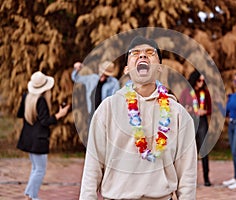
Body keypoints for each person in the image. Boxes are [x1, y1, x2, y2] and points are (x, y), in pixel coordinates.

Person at [80, 36, 197, 200]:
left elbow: (187, 173)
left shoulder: (178, 114)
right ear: (126, 69)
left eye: (150, 53)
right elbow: (92, 166)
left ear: (159, 68)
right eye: (135, 53)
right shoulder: (107, 108)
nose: (142, 56)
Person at [16, 71, 70, 200]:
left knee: (36, 168)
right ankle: (33, 196)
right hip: (38, 140)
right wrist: (60, 115)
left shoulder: (26, 96)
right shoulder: (41, 100)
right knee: (40, 170)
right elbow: (45, 121)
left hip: (28, 138)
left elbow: (19, 114)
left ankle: (29, 195)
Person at [179, 70, 212, 187]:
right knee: (189, 152)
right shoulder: (186, 92)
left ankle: (206, 177)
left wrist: (205, 111)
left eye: (203, 81)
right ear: (194, 80)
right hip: (190, 121)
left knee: (204, 151)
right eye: (199, 80)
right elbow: (180, 107)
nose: (201, 83)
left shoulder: (205, 93)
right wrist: (187, 109)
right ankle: (190, 179)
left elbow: (210, 109)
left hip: (202, 122)